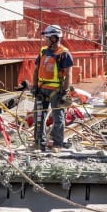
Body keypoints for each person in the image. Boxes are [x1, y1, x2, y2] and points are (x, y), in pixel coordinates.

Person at [31, 24, 75, 152]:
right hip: (41, 89)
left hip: (56, 91)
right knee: (38, 116)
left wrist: (65, 92)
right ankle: (39, 142)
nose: (45, 40)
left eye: (47, 37)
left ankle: (57, 144)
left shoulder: (64, 54)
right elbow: (36, 70)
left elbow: (68, 73)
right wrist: (35, 86)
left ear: (54, 38)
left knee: (58, 118)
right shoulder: (43, 51)